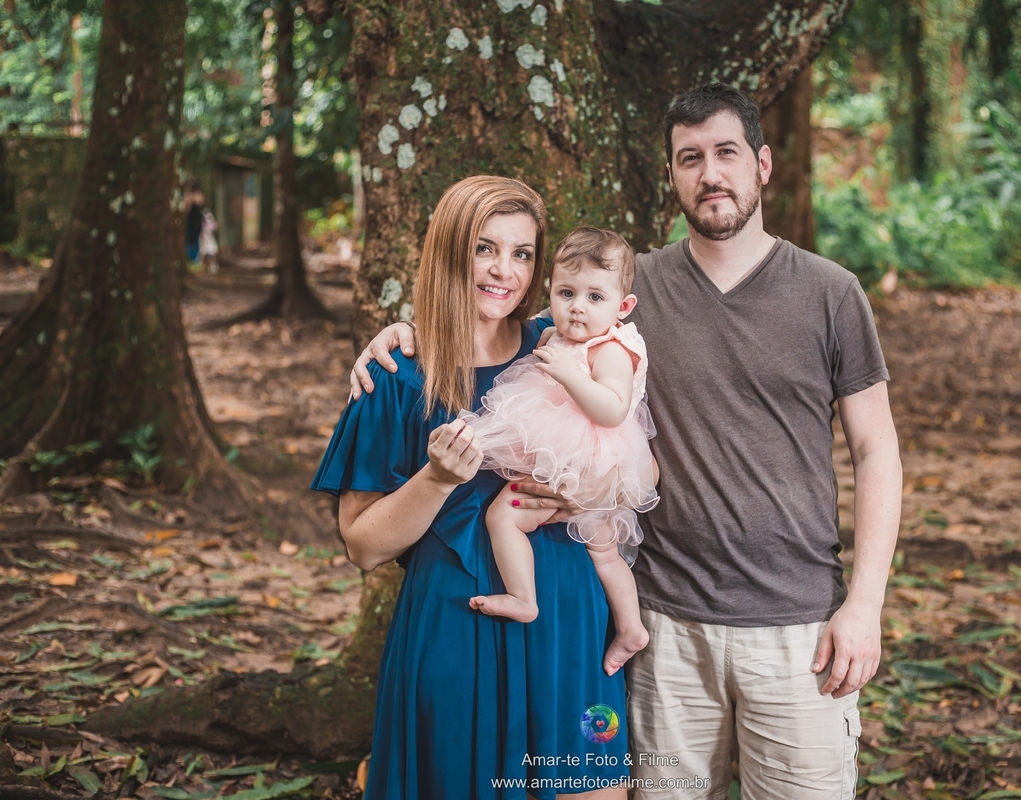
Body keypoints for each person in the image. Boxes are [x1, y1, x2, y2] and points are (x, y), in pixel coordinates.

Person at [352, 84, 903, 800]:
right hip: (663, 621)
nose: (711, 173)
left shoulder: (830, 292)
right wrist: (403, 333)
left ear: (763, 164)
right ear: (671, 174)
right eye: (690, 158)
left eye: (727, 153)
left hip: (797, 624)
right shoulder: (625, 287)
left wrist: (864, 605)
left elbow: (876, 451)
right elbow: (502, 326)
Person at [312, 176, 629, 799]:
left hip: (569, 617)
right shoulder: (397, 375)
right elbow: (363, 546)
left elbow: (636, 450)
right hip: (460, 623)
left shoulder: (564, 346)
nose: (504, 271)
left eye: (522, 253)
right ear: (449, 250)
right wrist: (435, 479)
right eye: (485, 248)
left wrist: (590, 488)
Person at [463, 226, 656, 677]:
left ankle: (524, 598)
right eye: (566, 293)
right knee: (602, 552)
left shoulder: (611, 349)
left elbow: (613, 410)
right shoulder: (553, 334)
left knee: (504, 516)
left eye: (594, 297)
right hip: (572, 455)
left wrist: (570, 374)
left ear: (623, 307)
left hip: (591, 458)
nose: (577, 307)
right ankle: (631, 629)